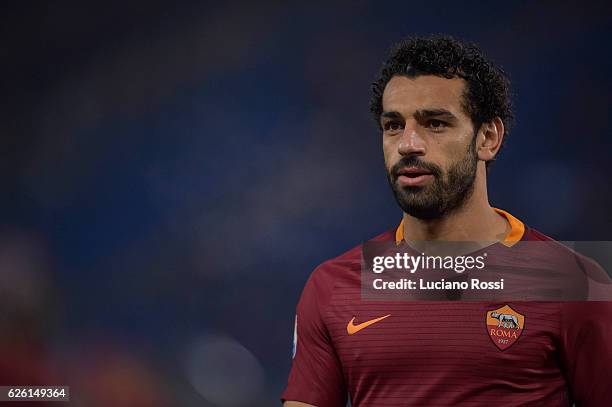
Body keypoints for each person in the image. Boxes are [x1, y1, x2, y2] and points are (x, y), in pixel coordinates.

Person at [281, 36, 612, 406]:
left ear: (488, 138)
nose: (408, 144)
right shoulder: (333, 286)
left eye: (435, 123)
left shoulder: (573, 282)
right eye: (393, 125)